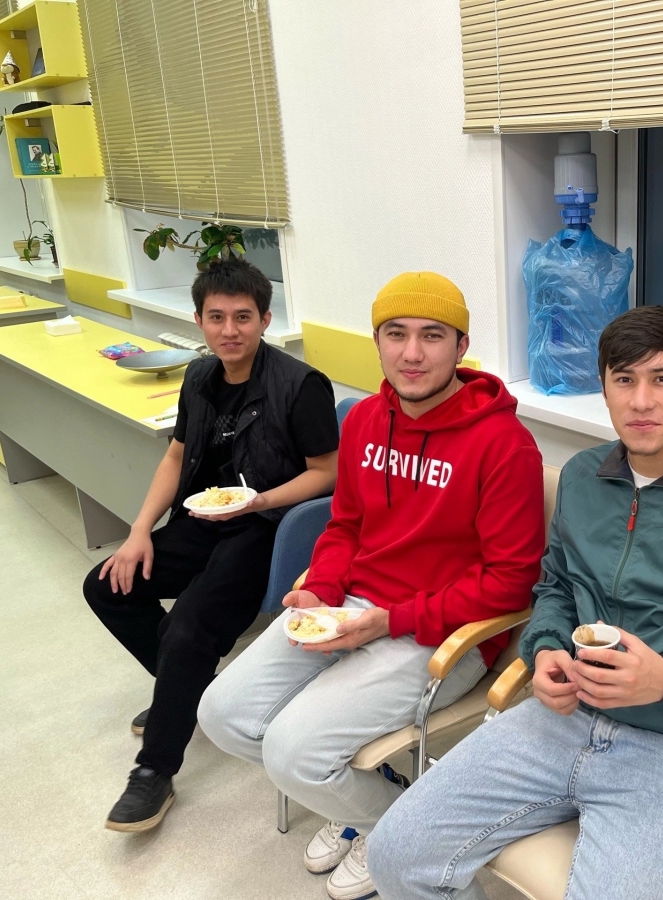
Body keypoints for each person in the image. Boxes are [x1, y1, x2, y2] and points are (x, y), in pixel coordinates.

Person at [366, 305, 663, 900]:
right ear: (604, 389)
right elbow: (555, 585)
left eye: (661, 378)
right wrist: (546, 647)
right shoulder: (582, 478)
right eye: (624, 380)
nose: (641, 401)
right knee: (393, 855)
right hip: (560, 718)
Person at [198, 271, 546, 900]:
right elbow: (346, 525)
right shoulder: (363, 420)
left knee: (293, 753)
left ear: (461, 347)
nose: (412, 353)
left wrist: (391, 621)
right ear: (377, 342)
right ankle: (367, 807)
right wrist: (321, 588)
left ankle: (389, 831)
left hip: (443, 634)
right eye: (396, 334)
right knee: (222, 715)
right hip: (351, 606)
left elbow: (511, 585)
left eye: (432, 336)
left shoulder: (505, 445)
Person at [84, 258, 339, 833]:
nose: (230, 330)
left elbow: (328, 472)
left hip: (265, 528)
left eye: (243, 317)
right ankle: (185, 689)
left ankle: (154, 769)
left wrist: (259, 501)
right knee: (107, 586)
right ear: (198, 320)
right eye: (217, 317)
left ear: (265, 319)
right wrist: (138, 531)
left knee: (188, 627)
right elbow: (177, 456)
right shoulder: (199, 377)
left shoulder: (301, 385)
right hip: (203, 518)